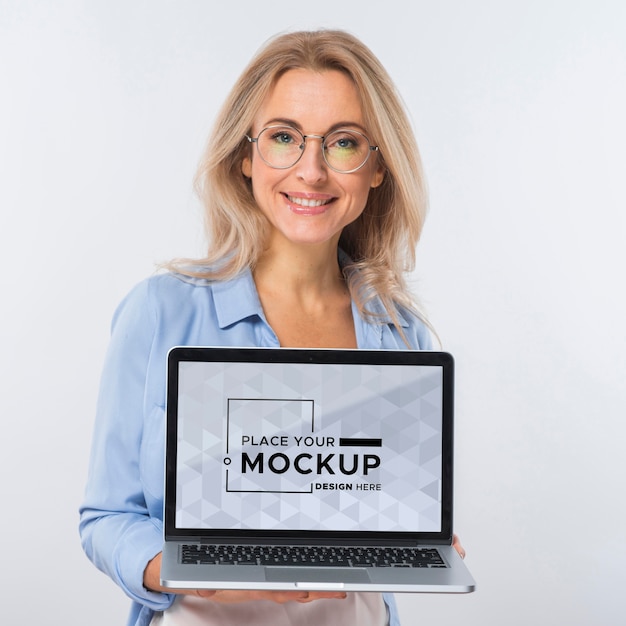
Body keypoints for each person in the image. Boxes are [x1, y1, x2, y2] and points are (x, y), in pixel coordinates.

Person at [79, 29, 464, 626]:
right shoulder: (161, 313)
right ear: (245, 155)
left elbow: (369, 501)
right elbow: (106, 518)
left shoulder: (398, 331)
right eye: (284, 138)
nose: (311, 171)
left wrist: (414, 534)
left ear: (378, 167)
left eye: (343, 143)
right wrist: (189, 569)